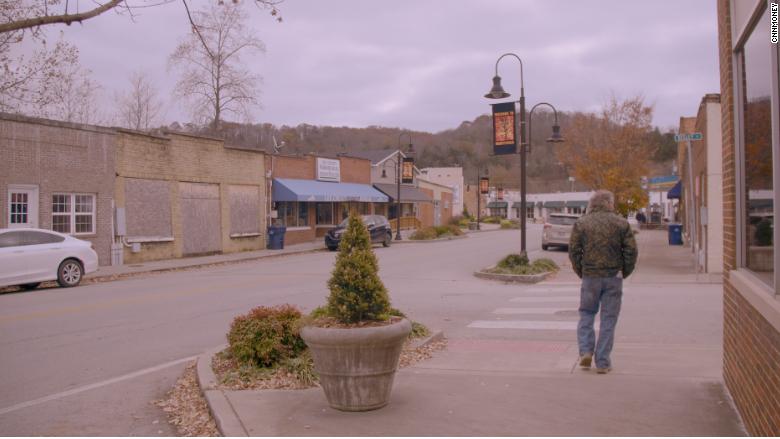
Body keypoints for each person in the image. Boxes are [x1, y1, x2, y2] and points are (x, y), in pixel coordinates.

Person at [568, 190, 638, 374]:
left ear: (592, 203)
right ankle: (603, 361)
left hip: (590, 276)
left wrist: (581, 271)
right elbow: (631, 250)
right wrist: (625, 270)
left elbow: (574, 250)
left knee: (586, 314)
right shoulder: (621, 223)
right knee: (608, 319)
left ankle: (585, 350)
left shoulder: (582, 223)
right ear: (609, 203)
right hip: (613, 276)